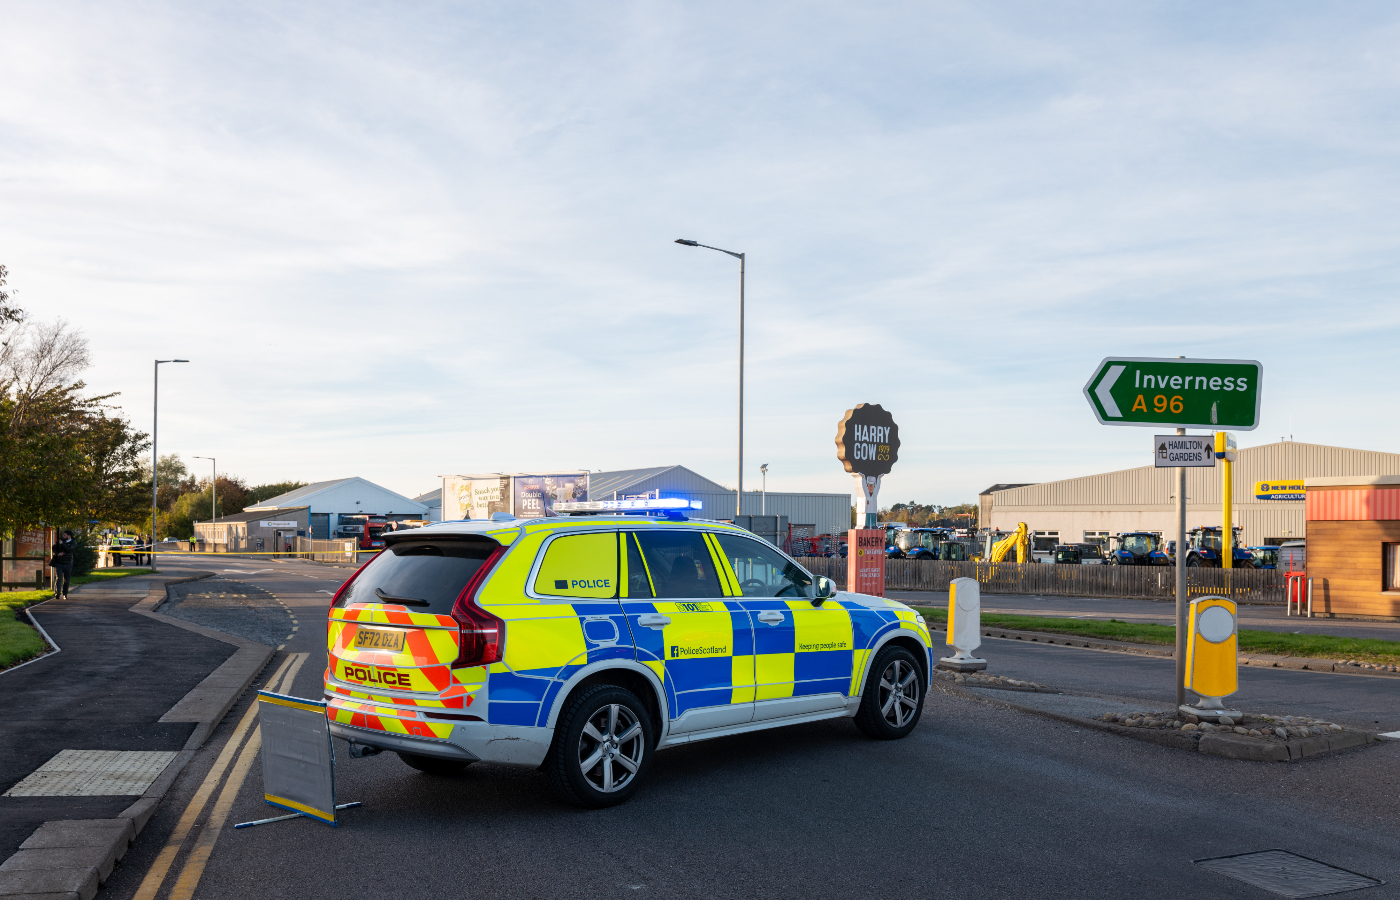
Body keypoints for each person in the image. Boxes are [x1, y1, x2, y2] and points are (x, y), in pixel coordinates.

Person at [51, 529, 76, 600]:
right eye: (63, 535)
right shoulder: (60, 540)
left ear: (69, 536)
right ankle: (57, 593)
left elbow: (69, 549)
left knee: (66, 580)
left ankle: (65, 594)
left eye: (64, 535)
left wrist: (62, 544)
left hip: (68, 563)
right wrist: (57, 554)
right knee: (58, 578)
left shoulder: (73, 542)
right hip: (59, 563)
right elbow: (54, 548)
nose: (63, 536)